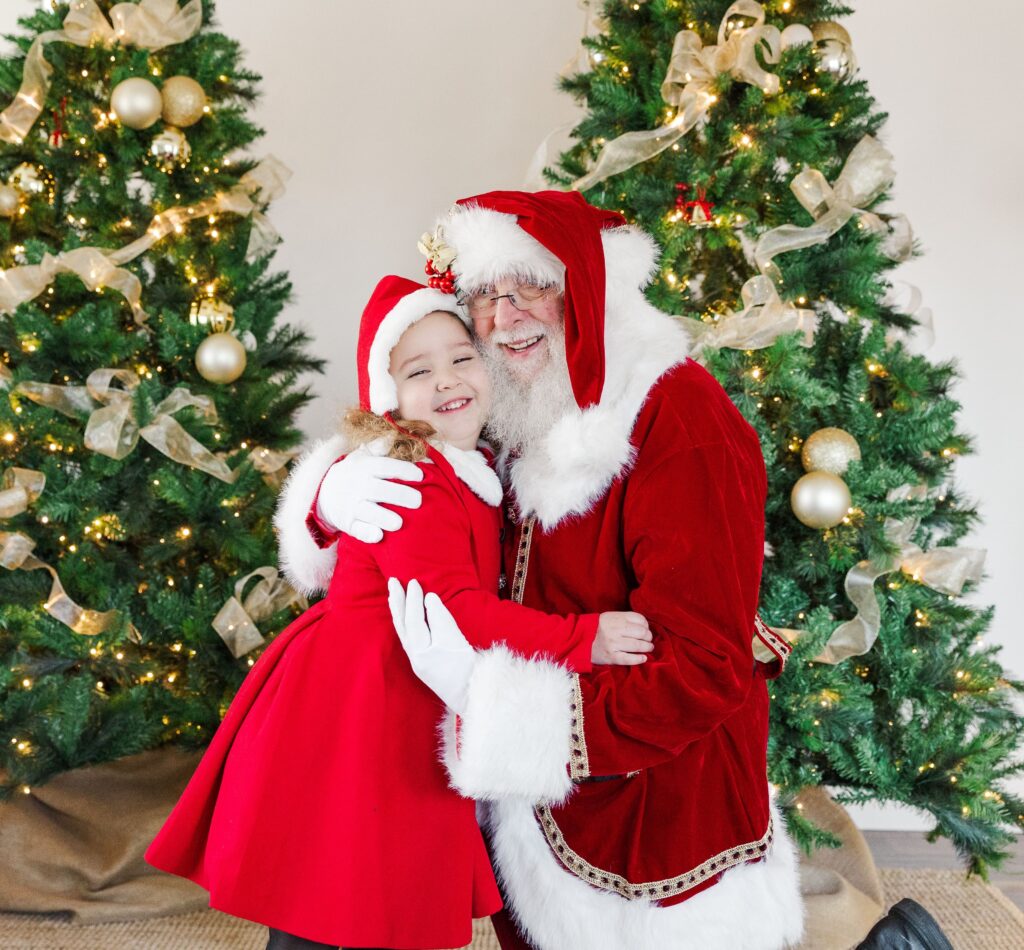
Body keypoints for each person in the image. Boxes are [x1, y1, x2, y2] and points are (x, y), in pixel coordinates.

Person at [278, 193, 805, 950]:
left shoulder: (678, 419)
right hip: (526, 811)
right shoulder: (513, 392)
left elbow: (703, 673)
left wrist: (492, 705)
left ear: (590, 287)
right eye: (486, 294)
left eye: (532, 284)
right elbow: (414, 414)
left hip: (654, 818)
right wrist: (331, 491)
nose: (504, 317)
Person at [145, 274, 653, 950]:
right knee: (329, 876)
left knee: (375, 878)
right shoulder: (406, 480)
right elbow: (464, 614)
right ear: (390, 399)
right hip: (353, 698)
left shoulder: (472, 467)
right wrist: (582, 638)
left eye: (462, 357)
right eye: (419, 370)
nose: (447, 379)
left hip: (402, 690)